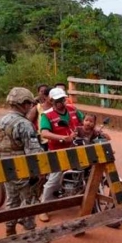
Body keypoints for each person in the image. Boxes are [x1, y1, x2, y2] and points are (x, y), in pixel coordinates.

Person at [0, 88, 43, 236]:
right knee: (30, 200)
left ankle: (10, 229)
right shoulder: (24, 124)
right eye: (29, 103)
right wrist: (39, 172)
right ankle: (30, 233)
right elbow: (33, 152)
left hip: (6, 168)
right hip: (24, 169)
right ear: (24, 104)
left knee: (12, 199)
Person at [38, 87, 84, 222]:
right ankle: (43, 208)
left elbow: (84, 122)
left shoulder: (73, 110)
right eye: (57, 100)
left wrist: (96, 130)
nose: (60, 102)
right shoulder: (47, 115)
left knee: (86, 171)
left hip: (76, 148)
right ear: (51, 101)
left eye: (62, 99)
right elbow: (44, 133)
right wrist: (62, 138)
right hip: (58, 151)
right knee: (54, 179)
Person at [27, 86, 52, 150]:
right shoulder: (37, 107)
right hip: (44, 140)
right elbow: (27, 122)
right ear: (46, 96)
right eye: (41, 91)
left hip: (57, 138)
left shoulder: (58, 107)